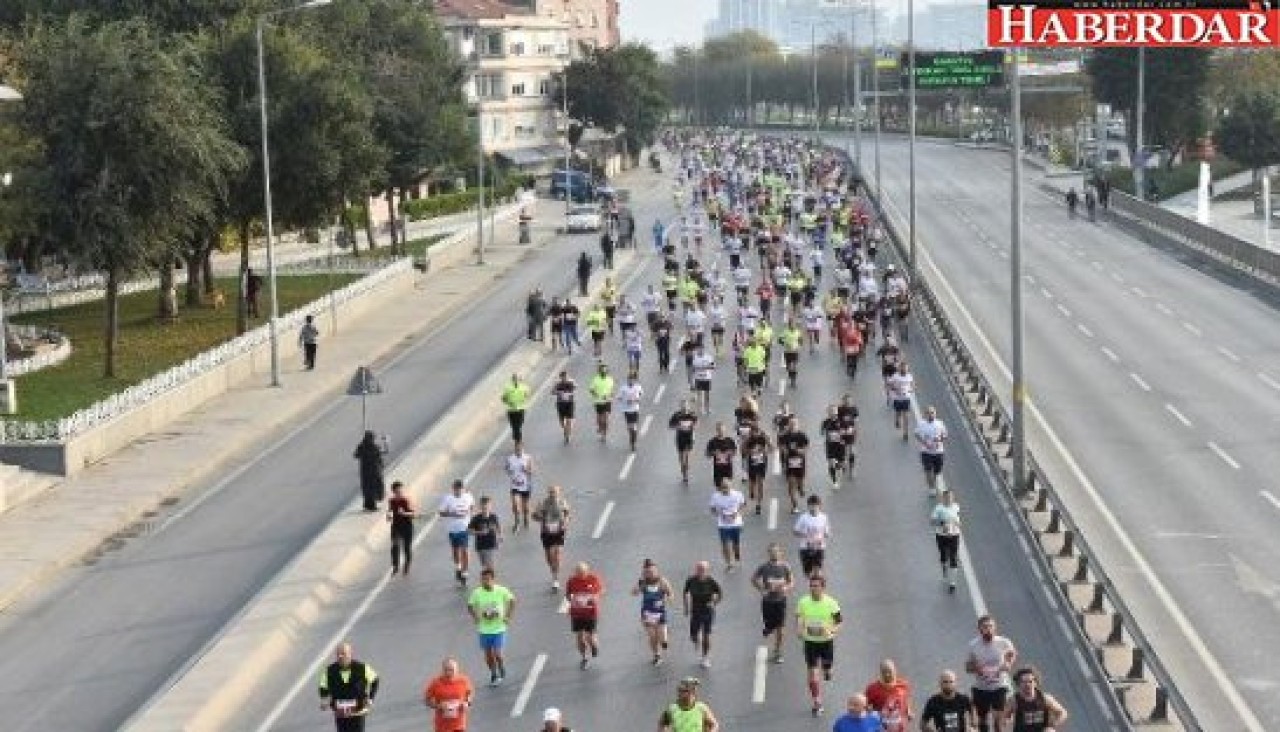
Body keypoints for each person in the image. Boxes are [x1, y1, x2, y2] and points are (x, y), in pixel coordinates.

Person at [796, 573, 843, 716]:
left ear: (823, 587)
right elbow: (799, 617)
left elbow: (839, 622)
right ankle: (817, 701)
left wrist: (832, 631)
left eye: (816, 586)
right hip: (810, 642)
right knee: (812, 672)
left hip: (826, 642)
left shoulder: (831, 603)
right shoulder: (803, 602)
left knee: (826, 669)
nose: (813, 588)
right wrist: (799, 628)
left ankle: (827, 670)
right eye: (811, 586)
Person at [966, 615, 1019, 732]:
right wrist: (977, 669)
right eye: (985, 627)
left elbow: (1012, 653)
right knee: (982, 721)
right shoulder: (973, 645)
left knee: (997, 721)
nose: (988, 629)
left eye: (991, 626)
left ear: (995, 628)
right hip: (981, 687)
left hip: (999, 686)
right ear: (979, 629)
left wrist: (1008, 663)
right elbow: (967, 667)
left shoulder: (1003, 642)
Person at [467, 568, 516, 686]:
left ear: (493, 579)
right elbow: (469, 605)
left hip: (499, 628)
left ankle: (501, 665)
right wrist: (475, 617)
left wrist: (508, 616)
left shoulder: (501, 590)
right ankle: (494, 674)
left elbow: (512, 600)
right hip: (484, 629)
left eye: (488, 579)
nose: (486, 581)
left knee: (497, 654)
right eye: (483, 579)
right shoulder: (477, 593)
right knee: (488, 655)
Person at [319, 642, 379, 732]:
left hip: (358, 712)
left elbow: (375, 680)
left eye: (343, 653)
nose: (340, 656)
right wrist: (324, 700)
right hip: (340, 713)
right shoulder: (330, 670)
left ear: (350, 654)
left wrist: (370, 699)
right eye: (338, 654)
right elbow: (323, 686)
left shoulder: (362, 668)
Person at [751, 543, 794, 664]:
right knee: (770, 625)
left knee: (781, 627)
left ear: (780, 553)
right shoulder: (764, 567)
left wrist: (787, 588)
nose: (774, 553)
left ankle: (778, 651)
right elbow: (753, 579)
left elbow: (791, 581)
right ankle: (769, 627)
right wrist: (761, 589)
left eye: (777, 551)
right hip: (767, 601)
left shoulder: (785, 567)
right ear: (768, 553)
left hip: (780, 601)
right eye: (772, 551)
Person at [633, 558, 675, 665]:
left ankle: (664, 641)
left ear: (656, 571)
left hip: (660, 613)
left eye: (652, 571)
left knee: (663, 639)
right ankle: (657, 655)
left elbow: (671, 594)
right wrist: (640, 583)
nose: (650, 574)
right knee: (652, 636)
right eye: (647, 572)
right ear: (644, 572)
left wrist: (665, 600)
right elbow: (634, 593)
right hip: (647, 614)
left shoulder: (662, 581)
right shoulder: (643, 582)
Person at [682, 561, 723, 668]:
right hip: (695, 611)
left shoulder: (712, 581)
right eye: (699, 569)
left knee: (707, 635)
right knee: (693, 636)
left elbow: (720, 594)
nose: (701, 571)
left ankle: (705, 658)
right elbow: (685, 593)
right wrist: (686, 607)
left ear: (707, 571)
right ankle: (696, 640)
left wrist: (714, 603)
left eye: (703, 569)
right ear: (695, 570)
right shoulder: (690, 580)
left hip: (707, 611)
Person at [565, 561, 604, 668]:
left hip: (591, 612)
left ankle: (594, 647)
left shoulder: (593, 579)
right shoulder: (571, 581)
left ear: (587, 571)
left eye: (582, 572)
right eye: (577, 572)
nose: (579, 575)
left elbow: (601, 591)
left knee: (591, 638)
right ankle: (584, 658)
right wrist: (572, 601)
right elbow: (568, 594)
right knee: (580, 637)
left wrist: (595, 597)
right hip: (577, 613)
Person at [1004, 667, 1068, 732]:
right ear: (1018, 683)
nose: (1027, 684)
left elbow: (1062, 713)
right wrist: (1007, 720)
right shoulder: (1014, 700)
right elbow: (1003, 717)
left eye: (1030, 681)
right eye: (1024, 682)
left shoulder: (1045, 698)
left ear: (1035, 682)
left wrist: (1052, 725)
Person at [532, 485, 571, 590]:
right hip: (546, 532)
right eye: (551, 492)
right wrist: (541, 517)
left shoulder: (563, 502)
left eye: (555, 492)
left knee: (557, 553)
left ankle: (556, 578)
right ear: (548, 493)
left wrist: (565, 522)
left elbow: (568, 514)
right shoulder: (542, 503)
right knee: (549, 557)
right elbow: (534, 516)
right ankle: (553, 570)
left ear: (559, 492)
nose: (553, 494)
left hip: (559, 531)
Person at [439, 479, 476, 587]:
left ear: (463, 489)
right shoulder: (448, 499)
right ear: (453, 489)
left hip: (465, 528)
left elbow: (472, 506)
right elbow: (441, 512)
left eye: (461, 489)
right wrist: (453, 514)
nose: (459, 491)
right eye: (457, 489)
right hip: (452, 529)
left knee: (465, 550)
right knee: (455, 551)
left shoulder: (468, 496)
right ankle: (458, 567)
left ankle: (465, 572)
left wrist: (470, 514)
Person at [423, 657, 473, 732]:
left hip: (459, 724)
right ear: (442, 670)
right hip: (442, 725)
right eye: (446, 670)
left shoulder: (463, 681)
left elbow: (469, 693)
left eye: (452, 670)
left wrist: (467, 703)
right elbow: (427, 700)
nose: (449, 672)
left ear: (457, 670)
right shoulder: (436, 683)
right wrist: (438, 706)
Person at [865, 658, 913, 732]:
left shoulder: (904, 685)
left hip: (900, 728)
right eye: (884, 672)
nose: (887, 675)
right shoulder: (872, 688)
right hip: (881, 728)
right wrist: (869, 711)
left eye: (890, 672)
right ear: (880, 672)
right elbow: (864, 706)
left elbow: (906, 699)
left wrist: (908, 711)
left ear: (895, 670)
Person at [708, 479, 746, 571]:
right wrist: (720, 514)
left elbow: (743, 505)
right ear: (720, 487)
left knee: (735, 543)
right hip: (723, 524)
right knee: (725, 544)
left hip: (736, 523)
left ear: (731, 486)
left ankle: (736, 552)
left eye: (727, 487)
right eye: (723, 487)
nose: (725, 489)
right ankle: (729, 563)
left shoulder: (738, 494)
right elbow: (712, 508)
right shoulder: (716, 496)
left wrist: (737, 513)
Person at [932, 489, 962, 592]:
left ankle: (952, 583)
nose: (949, 499)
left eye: (951, 497)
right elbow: (932, 521)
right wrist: (942, 523)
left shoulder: (956, 507)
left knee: (953, 557)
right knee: (943, 556)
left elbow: (960, 523)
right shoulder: (938, 508)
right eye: (947, 497)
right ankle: (944, 567)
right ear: (943, 498)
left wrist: (955, 524)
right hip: (941, 535)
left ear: (953, 498)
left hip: (954, 535)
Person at [793, 494, 831, 578]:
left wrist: (824, 536)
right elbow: (795, 531)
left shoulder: (824, 517)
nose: (813, 507)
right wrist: (806, 535)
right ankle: (812, 585)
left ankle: (818, 586)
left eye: (815, 505)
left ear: (819, 506)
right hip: (805, 547)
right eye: (811, 505)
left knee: (818, 571)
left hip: (819, 547)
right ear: (808, 506)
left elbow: (826, 532)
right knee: (808, 572)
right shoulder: (803, 517)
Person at [779, 417, 810, 514]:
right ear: (788, 425)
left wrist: (802, 451)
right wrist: (785, 451)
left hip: (800, 462)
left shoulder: (802, 435)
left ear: (797, 425)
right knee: (791, 484)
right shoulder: (785, 436)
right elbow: (782, 446)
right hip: (789, 462)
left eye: (794, 424)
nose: (793, 425)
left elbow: (807, 446)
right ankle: (795, 505)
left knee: (800, 484)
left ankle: (801, 488)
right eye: (791, 424)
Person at [915, 405, 948, 492]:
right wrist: (924, 443)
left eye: (932, 413)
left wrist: (939, 440)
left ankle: (934, 480)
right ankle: (931, 488)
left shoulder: (940, 423)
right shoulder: (921, 424)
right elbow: (917, 434)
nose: (931, 415)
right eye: (928, 413)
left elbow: (945, 435)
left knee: (937, 470)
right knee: (928, 470)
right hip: (926, 452)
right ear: (925, 414)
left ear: (935, 413)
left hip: (938, 452)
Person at [386, 481, 416, 575]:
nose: (399, 493)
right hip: (396, 526)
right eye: (397, 491)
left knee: (406, 548)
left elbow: (413, 514)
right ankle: (395, 566)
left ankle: (407, 564)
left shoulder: (406, 500)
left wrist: (404, 513)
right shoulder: (391, 501)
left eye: (400, 491)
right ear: (393, 492)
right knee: (395, 546)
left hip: (407, 526)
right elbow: (390, 511)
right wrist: (388, 516)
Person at [353, 431, 387, 512]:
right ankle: (372, 506)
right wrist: (386, 442)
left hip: (365, 472)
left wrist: (361, 446)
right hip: (374, 471)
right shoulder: (374, 447)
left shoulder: (361, 447)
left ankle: (368, 505)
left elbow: (356, 455)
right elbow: (384, 452)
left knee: (367, 489)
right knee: (373, 488)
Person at [467, 495, 502, 573]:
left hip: (491, 544)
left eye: (487, 506)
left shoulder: (493, 517)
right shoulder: (476, 518)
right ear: (480, 506)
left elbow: (498, 527)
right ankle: (487, 580)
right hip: (481, 546)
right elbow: (468, 531)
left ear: (490, 506)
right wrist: (479, 532)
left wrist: (500, 537)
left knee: (490, 565)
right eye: (483, 507)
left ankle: (490, 581)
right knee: (484, 566)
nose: (485, 509)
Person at [669, 398, 699, 485]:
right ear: (680, 406)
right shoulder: (677, 415)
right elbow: (670, 425)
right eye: (683, 405)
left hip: (689, 438)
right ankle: (683, 471)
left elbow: (696, 424)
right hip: (680, 438)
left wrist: (693, 428)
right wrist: (678, 427)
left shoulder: (692, 415)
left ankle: (686, 474)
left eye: (686, 405)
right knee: (681, 458)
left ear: (688, 406)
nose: (684, 407)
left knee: (687, 457)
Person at [505, 443, 535, 531]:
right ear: (514, 449)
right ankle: (517, 522)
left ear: (523, 449)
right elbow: (506, 468)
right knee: (515, 504)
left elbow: (532, 471)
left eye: (520, 449)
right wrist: (509, 471)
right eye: (516, 449)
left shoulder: (528, 458)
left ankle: (526, 518)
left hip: (526, 486)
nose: (518, 451)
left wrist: (526, 470)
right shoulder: (510, 458)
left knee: (526, 508)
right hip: (515, 486)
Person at [705, 422, 737, 492]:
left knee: (728, 488)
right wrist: (714, 453)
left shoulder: (730, 441)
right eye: (719, 430)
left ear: (725, 430)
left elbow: (735, 452)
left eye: (722, 430)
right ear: (717, 430)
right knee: (719, 490)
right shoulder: (712, 441)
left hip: (728, 468)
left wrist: (729, 453)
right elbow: (707, 454)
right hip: (718, 469)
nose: (721, 431)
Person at [886, 362, 915, 441]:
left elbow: (912, 384)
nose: (904, 370)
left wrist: (911, 389)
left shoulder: (909, 376)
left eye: (906, 368)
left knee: (906, 417)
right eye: (903, 368)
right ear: (900, 368)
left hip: (906, 398)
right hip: (897, 398)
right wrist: (894, 389)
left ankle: (905, 433)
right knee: (898, 413)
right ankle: (897, 420)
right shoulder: (895, 376)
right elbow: (889, 384)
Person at [502, 374, 532, 447]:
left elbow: (527, 394)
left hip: (521, 409)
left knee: (519, 425)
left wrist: (524, 399)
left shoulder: (523, 387)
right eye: (514, 379)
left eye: (517, 379)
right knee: (515, 427)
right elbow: (503, 398)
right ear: (512, 380)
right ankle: (518, 441)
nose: (515, 380)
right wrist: (509, 402)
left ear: (519, 379)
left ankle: (517, 438)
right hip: (511, 410)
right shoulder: (508, 388)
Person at [618, 373, 645, 451]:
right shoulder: (623, 388)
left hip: (635, 409)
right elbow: (619, 397)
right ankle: (631, 439)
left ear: (634, 380)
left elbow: (641, 395)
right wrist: (625, 400)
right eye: (629, 379)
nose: (631, 381)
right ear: (627, 380)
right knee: (630, 428)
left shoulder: (638, 387)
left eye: (632, 379)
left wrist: (636, 399)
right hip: (626, 410)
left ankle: (634, 443)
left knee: (635, 428)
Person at [589, 362, 615, 442]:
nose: (604, 372)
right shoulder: (595, 379)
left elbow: (612, 391)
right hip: (598, 402)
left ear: (607, 371)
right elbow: (591, 389)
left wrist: (610, 396)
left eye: (605, 371)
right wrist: (596, 394)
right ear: (599, 371)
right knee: (600, 419)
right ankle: (600, 427)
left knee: (606, 419)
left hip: (607, 401)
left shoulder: (610, 379)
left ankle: (604, 435)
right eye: (602, 371)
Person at [553, 370, 577, 444]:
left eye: (566, 376)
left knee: (569, 420)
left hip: (569, 403)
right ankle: (565, 430)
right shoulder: (558, 384)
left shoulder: (571, 382)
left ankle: (567, 435)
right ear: (561, 377)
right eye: (563, 377)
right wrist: (559, 392)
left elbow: (576, 388)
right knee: (562, 422)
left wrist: (570, 393)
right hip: (561, 404)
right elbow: (552, 391)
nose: (564, 378)